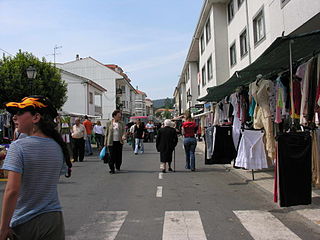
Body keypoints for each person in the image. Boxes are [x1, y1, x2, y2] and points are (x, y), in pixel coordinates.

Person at [0, 96, 72, 240]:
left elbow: (12, 190)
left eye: (20, 113)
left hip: (26, 221)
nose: (14, 117)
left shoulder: (18, 147)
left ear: (36, 117)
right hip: (54, 219)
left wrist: (3, 228)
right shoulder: (58, 147)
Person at [105, 110, 126, 174]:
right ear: (114, 116)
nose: (120, 117)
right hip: (111, 141)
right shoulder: (109, 123)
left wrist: (124, 136)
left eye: (120, 116)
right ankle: (112, 169)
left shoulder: (122, 123)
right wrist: (105, 142)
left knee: (118, 155)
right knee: (111, 156)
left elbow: (124, 131)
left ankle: (118, 166)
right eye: (118, 115)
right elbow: (107, 133)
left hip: (119, 142)